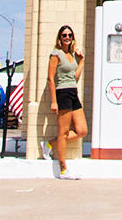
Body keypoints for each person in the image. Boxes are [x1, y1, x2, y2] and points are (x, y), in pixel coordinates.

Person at [45, 24, 86, 177]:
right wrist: (54, 101)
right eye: (64, 35)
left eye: (70, 35)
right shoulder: (56, 54)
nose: (67, 37)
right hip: (62, 93)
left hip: (73, 92)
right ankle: (63, 169)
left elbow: (74, 77)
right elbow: (50, 78)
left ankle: (51, 144)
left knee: (82, 130)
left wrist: (81, 61)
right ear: (60, 38)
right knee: (63, 132)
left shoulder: (71, 55)